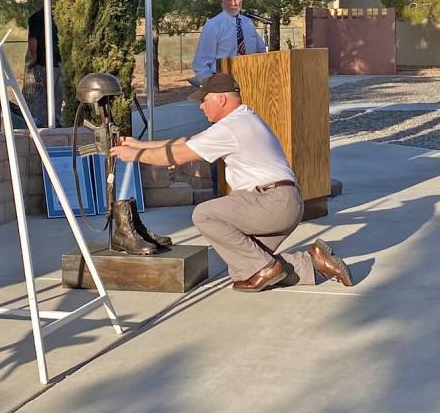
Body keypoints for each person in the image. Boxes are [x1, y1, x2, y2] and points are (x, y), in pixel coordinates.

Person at [110, 73, 353, 292]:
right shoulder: (242, 119)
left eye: (204, 100)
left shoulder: (230, 127)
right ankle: (314, 263)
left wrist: (134, 156)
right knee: (244, 270)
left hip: (271, 203)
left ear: (221, 99)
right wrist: (137, 144)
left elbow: (179, 155)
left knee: (204, 214)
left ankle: (268, 267)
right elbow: (185, 143)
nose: (201, 106)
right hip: (284, 203)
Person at [191, 0, 266, 84]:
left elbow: (261, 52)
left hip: (250, 81)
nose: (233, 3)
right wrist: (214, 86)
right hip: (223, 83)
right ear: (221, 1)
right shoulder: (213, 25)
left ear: (242, 0)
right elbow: (200, 64)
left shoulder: (248, 23)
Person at [26, 3, 63, 127]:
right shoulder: (41, 18)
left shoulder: (39, 18)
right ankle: (49, 123)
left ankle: (47, 123)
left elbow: (33, 40)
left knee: (48, 94)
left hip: (49, 62)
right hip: (51, 63)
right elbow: (33, 40)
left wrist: (34, 59)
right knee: (52, 94)